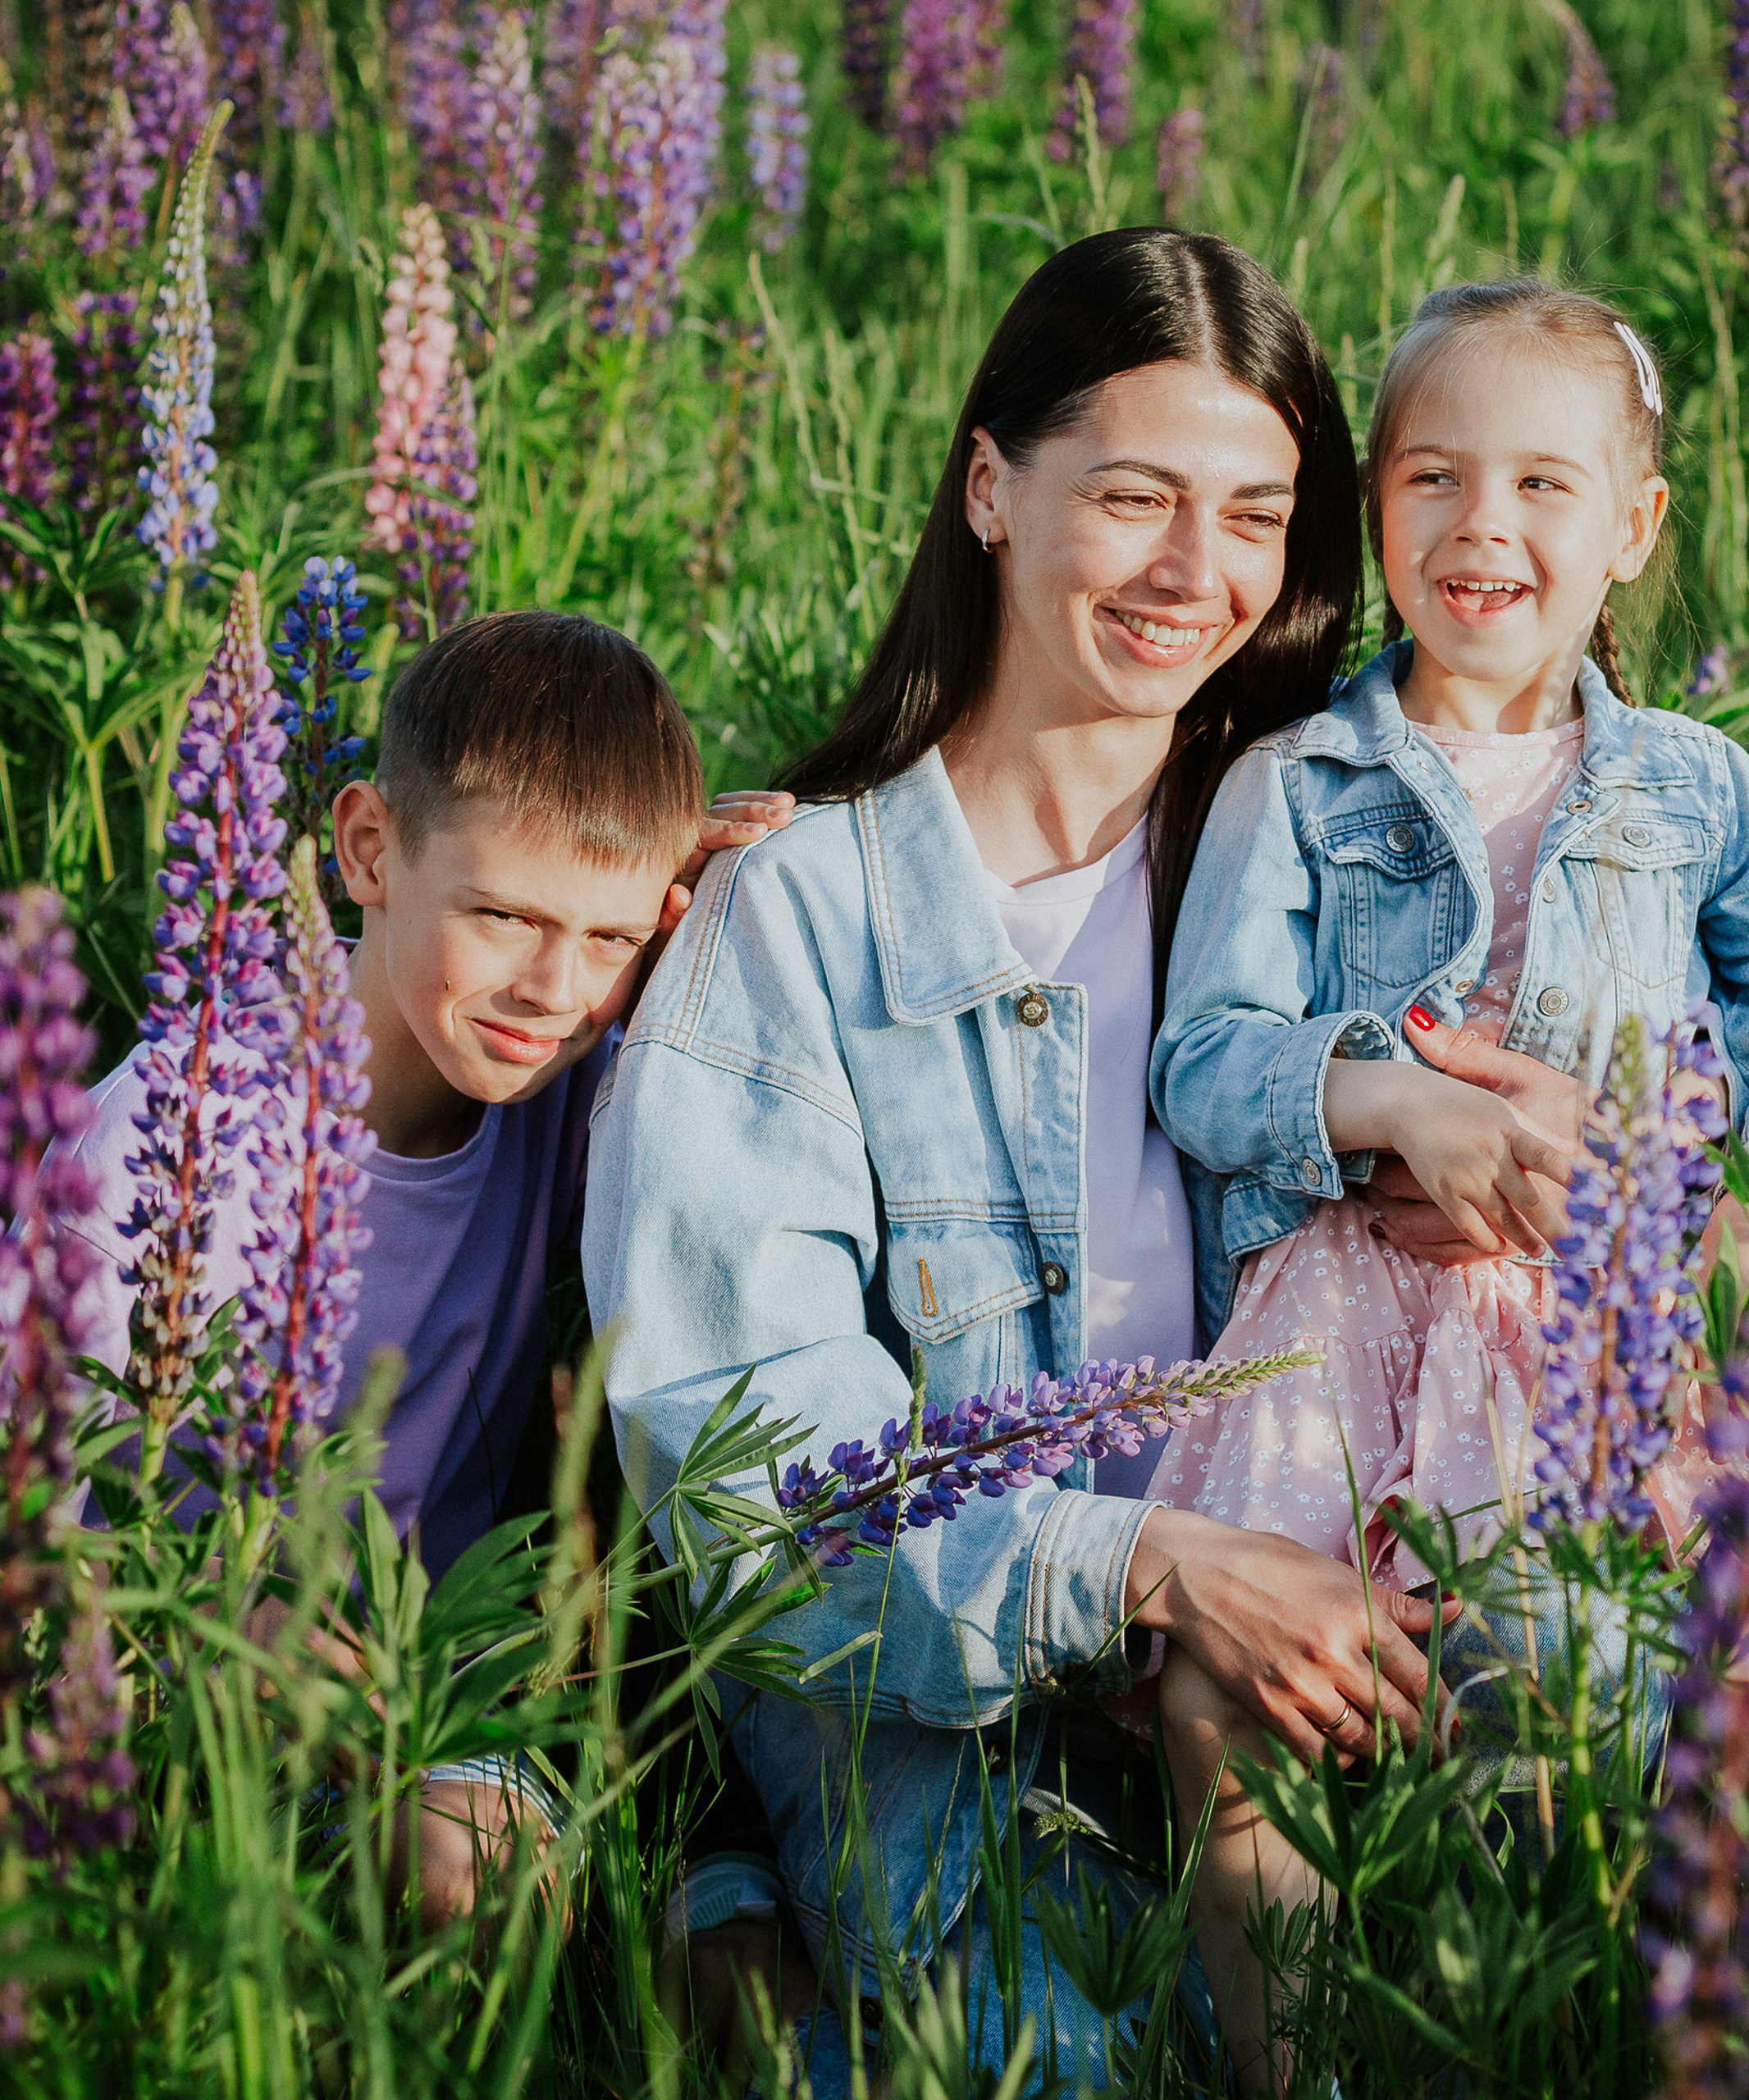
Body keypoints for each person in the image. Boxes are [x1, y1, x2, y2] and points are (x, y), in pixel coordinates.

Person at [582, 227, 1452, 2089]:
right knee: (1052, 2064)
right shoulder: (793, 929)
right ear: (989, 482)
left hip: (1317, 1681)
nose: (1194, 572)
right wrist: (1141, 1561)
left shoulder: (1335, 880)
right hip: (945, 1728)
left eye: (1254, 513)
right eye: (1132, 494)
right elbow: (753, 1494)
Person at [1144, 279, 1749, 2092]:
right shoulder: (1293, 776)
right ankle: (1278, 2060)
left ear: (1633, 524)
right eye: (1432, 478)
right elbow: (1203, 1053)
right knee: (1241, 1699)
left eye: (1544, 484)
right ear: (1369, 507)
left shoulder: (1689, 786)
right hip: (1336, 1317)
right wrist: (1382, 1100)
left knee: (1553, 1681)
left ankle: (1518, 2026)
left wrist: (1723, 1197)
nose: (1482, 528)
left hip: (1597, 1320)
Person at [55, 608, 788, 1926]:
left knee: (486, 1869)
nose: (551, 989)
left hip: (430, 1681)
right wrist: (200, 1623)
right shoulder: (174, 1138)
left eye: (611, 940)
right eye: (503, 915)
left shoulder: (563, 1081)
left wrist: (743, 897)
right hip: (151, 1682)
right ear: (369, 850)